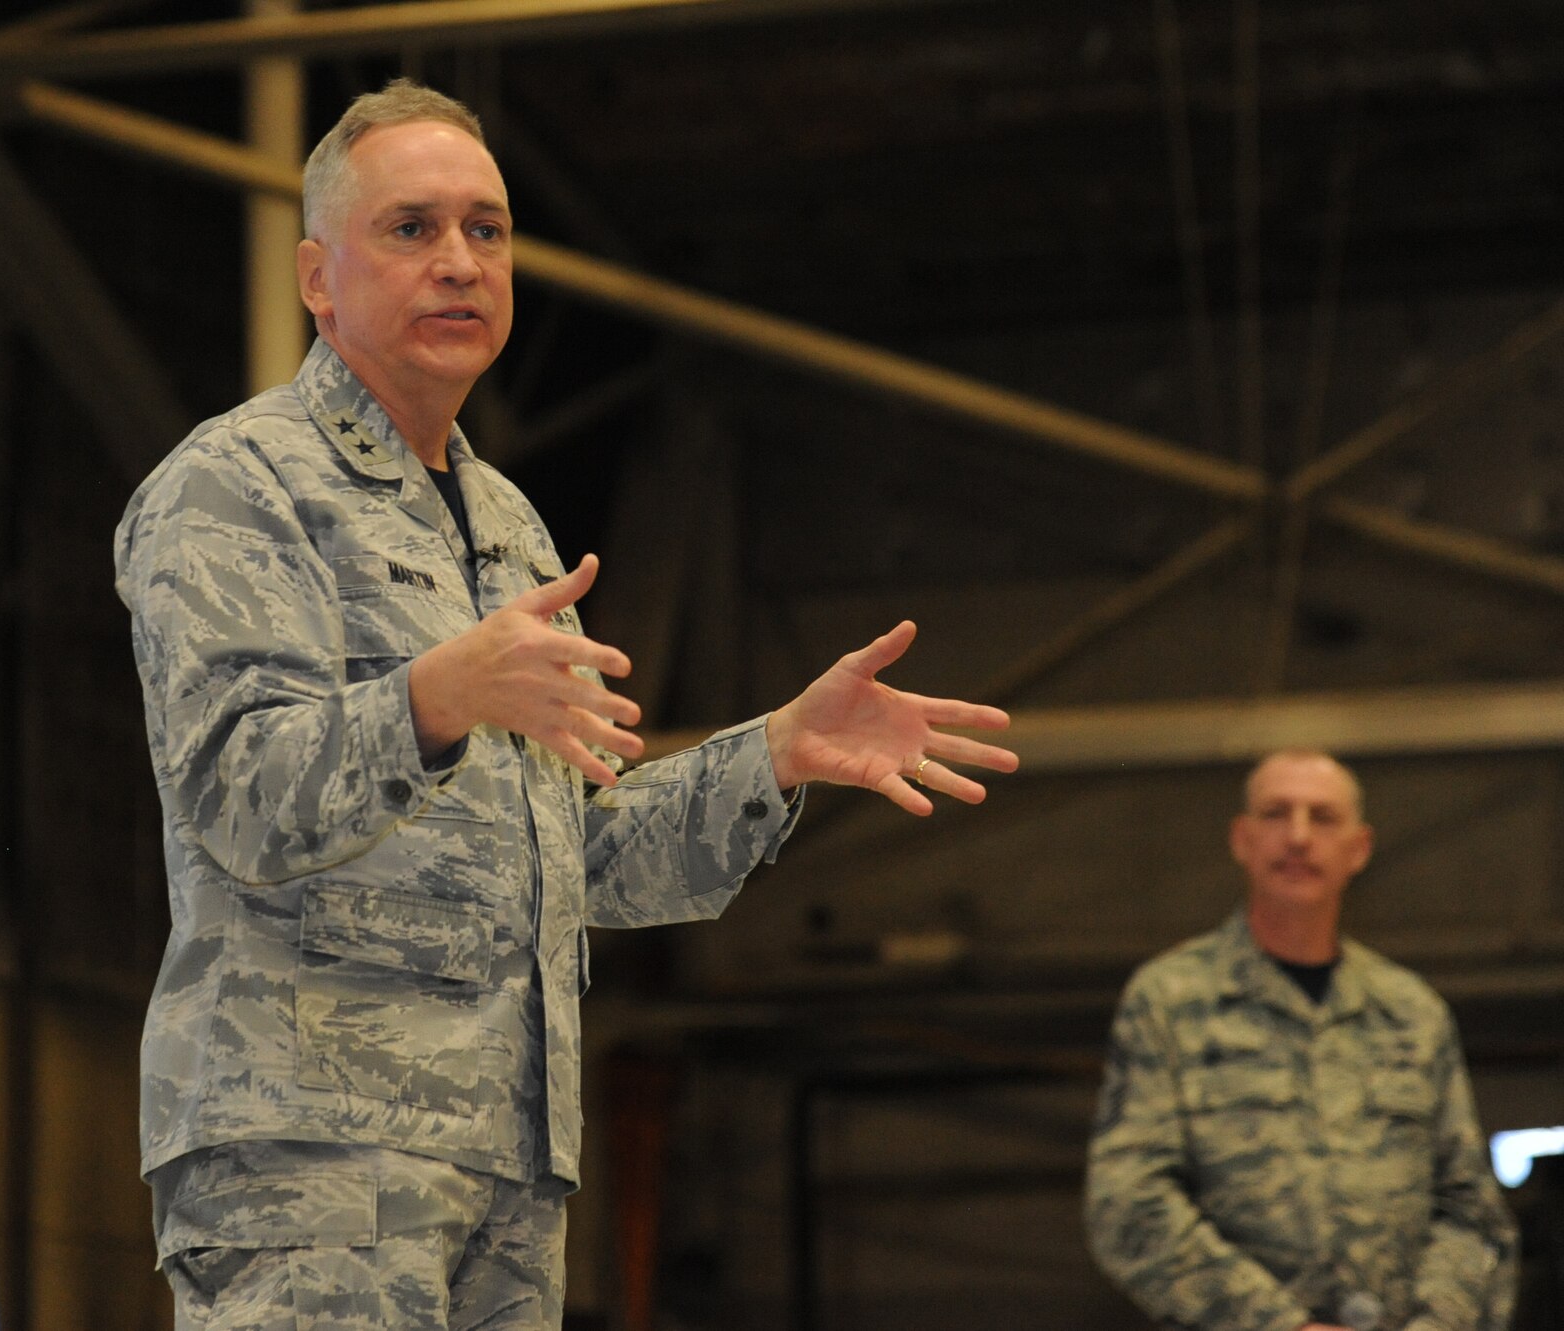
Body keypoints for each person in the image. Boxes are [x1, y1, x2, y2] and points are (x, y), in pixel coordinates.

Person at [113, 79, 1018, 1331]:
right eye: (411, 228)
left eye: (485, 230)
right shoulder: (234, 483)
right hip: (311, 1162)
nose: (458, 262)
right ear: (318, 279)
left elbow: (568, 859)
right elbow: (234, 796)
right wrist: (432, 696)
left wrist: (771, 756)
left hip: (507, 1172)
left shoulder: (504, 524)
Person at [1086, 750, 1518, 1331]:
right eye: (1275, 813)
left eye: (1322, 817)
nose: (1297, 836)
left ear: (1358, 848)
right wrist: (1277, 1325)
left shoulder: (1411, 1012)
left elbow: (1472, 1214)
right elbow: (1129, 1204)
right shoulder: (1170, 999)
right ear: (1241, 839)